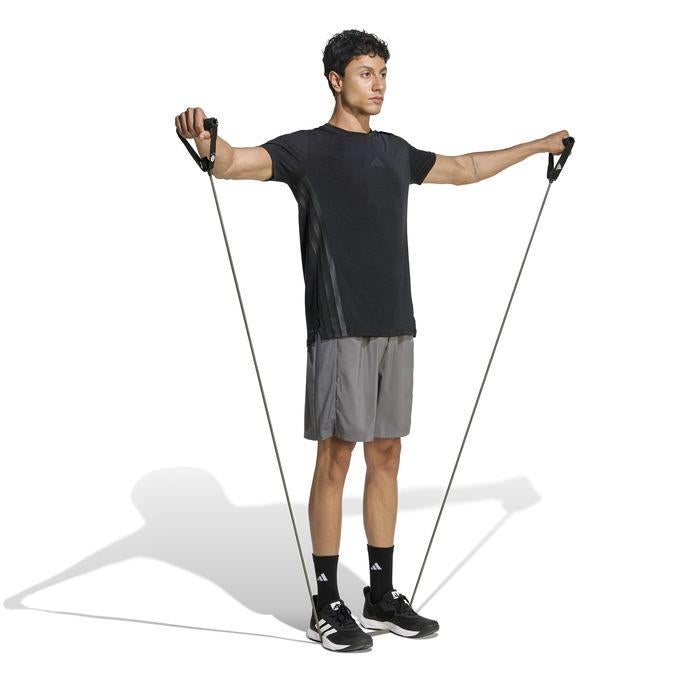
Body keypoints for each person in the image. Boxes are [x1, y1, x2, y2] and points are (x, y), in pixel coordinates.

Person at [175, 28, 569, 653]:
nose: (379, 84)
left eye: (383, 72)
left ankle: (380, 596)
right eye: (366, 72)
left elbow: (465, 169)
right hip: (339, 326)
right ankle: (325, 603)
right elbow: (233, 161)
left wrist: (538, 146)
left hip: (396, 324)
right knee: (336, 458)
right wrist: (204, 141)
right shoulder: (308, 149)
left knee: (387, 454)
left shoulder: (394, 150)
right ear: (336, 80)